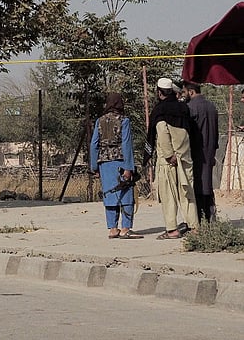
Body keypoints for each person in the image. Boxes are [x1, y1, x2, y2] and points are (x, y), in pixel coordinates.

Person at [146, 78, 199, 239]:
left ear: (159, 92)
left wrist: (169, 155)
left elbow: (162, 133)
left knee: (169, 196)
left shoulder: (160, 111)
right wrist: (180, 153)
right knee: (187, 193)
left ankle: (172, 229)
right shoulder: (183, 108)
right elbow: (187, 133)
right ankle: (194, 227)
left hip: (167, 161)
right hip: (184, 157)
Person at [89, 93, 142, 239]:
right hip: (121, 162)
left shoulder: (99, 121)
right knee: (126, 194)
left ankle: (112, 228)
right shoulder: (124, 121)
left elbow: (94, 144)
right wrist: (129, 167)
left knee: (110, 194)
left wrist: (94, 166)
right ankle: (125, 228)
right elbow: (126, 144)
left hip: (104, 163)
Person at [183, 81, 219, 222]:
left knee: (198, 184)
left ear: (191, 92)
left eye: (185, 92)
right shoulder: (211, 106)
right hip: (210, 151)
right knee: (207, 183)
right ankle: (211, 216)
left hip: (196, 151)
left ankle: (201, 217)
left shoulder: (191, 107)